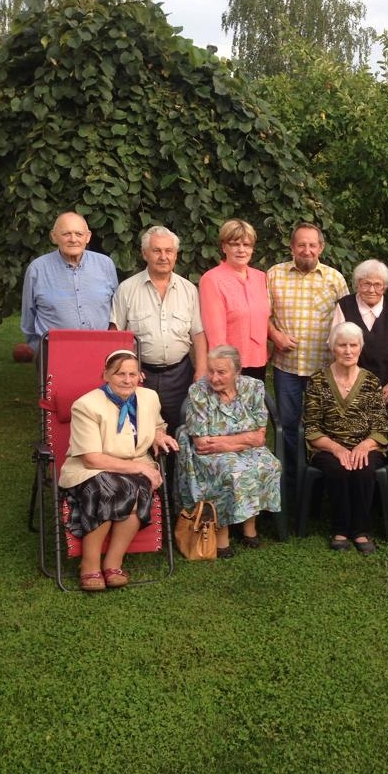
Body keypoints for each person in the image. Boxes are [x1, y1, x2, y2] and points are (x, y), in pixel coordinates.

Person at [58, 349, 179, 591]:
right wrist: (138, 468)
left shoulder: (149, 397)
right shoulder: (86, 405)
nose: (127, 379)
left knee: (136, 490)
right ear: (106, 375)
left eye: (132, 374)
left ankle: (113, 562)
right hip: (92, 469)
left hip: (136, 466)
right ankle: (90, 564)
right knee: (108, 489)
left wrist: (158, 435)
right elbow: (92, 459)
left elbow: (157, 423)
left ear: (140, 376)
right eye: (120, 374)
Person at [177, 345, 281, 559]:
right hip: (207, 455)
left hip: (239, 448)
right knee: (230, 471)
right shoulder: (198, 391)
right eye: (211, 371)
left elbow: (260, 437)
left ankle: (249, 528)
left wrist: (226, 443)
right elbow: (202, 443)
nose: (214, 378)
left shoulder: (254, 387)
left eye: (221, 372)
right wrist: (243, 440)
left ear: (237, 371)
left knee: (268, 465)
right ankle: (222, 535)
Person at [267, 222, 348, 478]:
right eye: (301, 244)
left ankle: (322, 478)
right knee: (288, 425)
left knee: (324, 426)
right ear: (292, 247)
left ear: (321, 248)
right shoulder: (274, 275)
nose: (307, 250)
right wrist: (275, 335)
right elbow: (261, 315)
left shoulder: (334, 278)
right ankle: (292, 477)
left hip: (324, 368)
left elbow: (346, 322)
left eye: (312, 245)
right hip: (287, 367)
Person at [110, 226, 207, 435]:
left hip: (180, 374)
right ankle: (144, 468)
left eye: (168, 251)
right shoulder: (127, 289)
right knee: (138, 429)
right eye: (157, 251)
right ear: (145, 254)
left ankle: (174, 469)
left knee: (178, 429)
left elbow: (198, 334)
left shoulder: (189, 289)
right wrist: (129, 370)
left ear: (175, 254)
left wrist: (200, 370)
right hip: (140, 376)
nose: (163, 257)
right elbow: (116, 335)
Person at [304, 322, 388, 554]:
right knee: (339, 467)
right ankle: (341, 528)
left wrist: (365, 445)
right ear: (333, 348)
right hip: (326, 446)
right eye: (342, 345)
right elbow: (311, 426)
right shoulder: (318, 380)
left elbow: (381, 426)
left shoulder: (371, 381)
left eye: (353, 345)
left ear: (360, 348)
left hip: (366, 445)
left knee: (363, 467)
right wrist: (336, 448)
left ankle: (360, 530)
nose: (348, 351)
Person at [21, 211, 118, 354]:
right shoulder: (37, 269)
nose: (73, 239)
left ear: (88, 237)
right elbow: (28, 317)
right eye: (66, 234)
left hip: (100, 349)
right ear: (54, 236)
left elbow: (116, 309)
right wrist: (41, 351)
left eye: (79, 234)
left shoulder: (105, 265)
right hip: (54, 351)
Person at [198, 219, 270, 382]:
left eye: (246, 245)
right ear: (224, 247)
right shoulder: (212, 279)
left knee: (254, 406)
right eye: (235, 244)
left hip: (259, 361)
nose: (241, 250)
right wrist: (223, 369)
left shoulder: (260, 277)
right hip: (230, 365)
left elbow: (264, 318)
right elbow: (215, 333)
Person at [331, 259, 388, 403]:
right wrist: (347, 385)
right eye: (366, 284)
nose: (371, 290)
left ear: (385, 287)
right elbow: (336, 347)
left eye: (377, 285)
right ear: (357, 285)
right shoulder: (344, 305)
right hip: (352, 386)